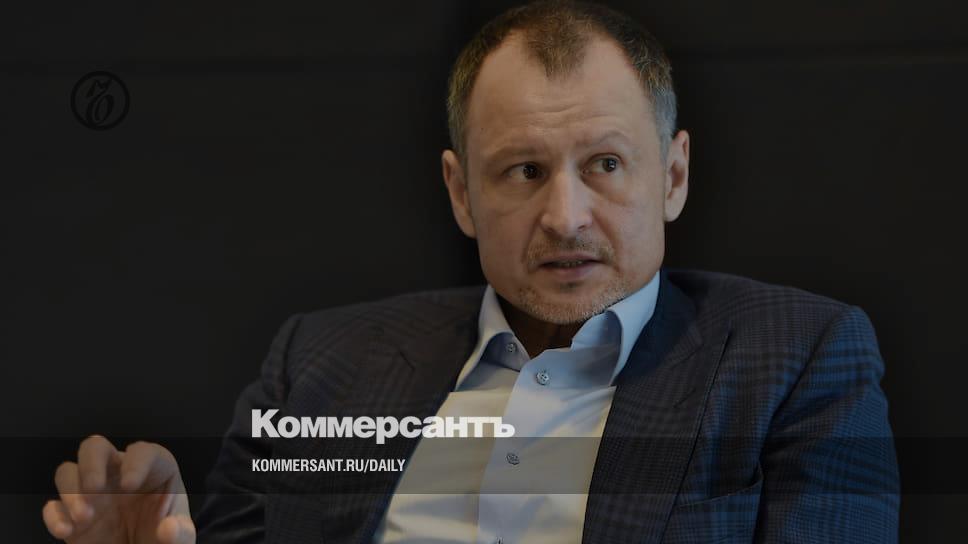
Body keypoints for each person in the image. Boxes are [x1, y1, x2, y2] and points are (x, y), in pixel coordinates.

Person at [41, 1, 900, 542]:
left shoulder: (797, 359)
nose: (566, 216)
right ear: (461, 193)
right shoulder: (321, 361)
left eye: (605, 164)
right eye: (523, 171)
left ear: (672, 176)